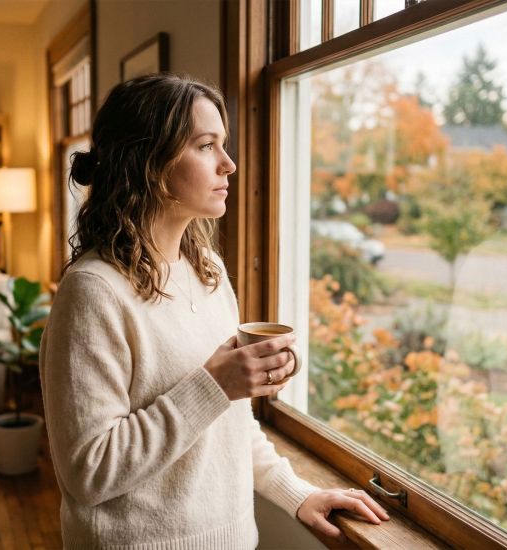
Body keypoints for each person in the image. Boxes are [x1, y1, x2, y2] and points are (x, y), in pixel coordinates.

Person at [40, 73, 389, 548]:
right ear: (148, 162)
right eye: (206, 146)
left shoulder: (206, 272)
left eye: (222, 145)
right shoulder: (93, 293)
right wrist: (216, 385)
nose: (230, 164)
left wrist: (298, 494)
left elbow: (229, 425)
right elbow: (89, 471)